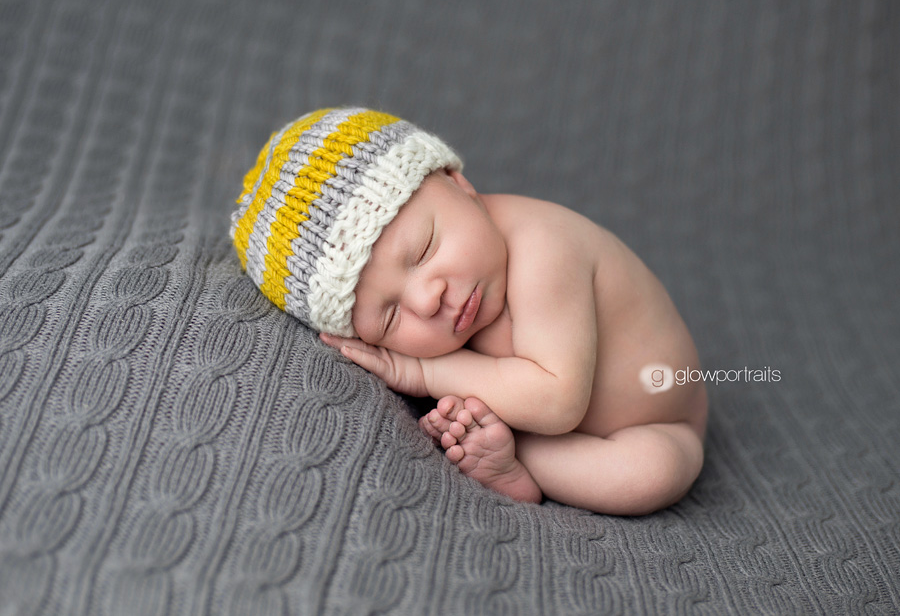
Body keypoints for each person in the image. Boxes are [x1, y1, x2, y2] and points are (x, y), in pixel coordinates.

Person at [231, 107, 707, 515]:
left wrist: (420, 371)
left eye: (423, 250)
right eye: (390, 317)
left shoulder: (543, 247)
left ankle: (523, 452)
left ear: (458, 183)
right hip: (551, 418)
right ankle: (512, 462)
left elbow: (559, 400)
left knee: (651, 473)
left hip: (659, 416)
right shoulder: (462, 292)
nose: (427, 299)